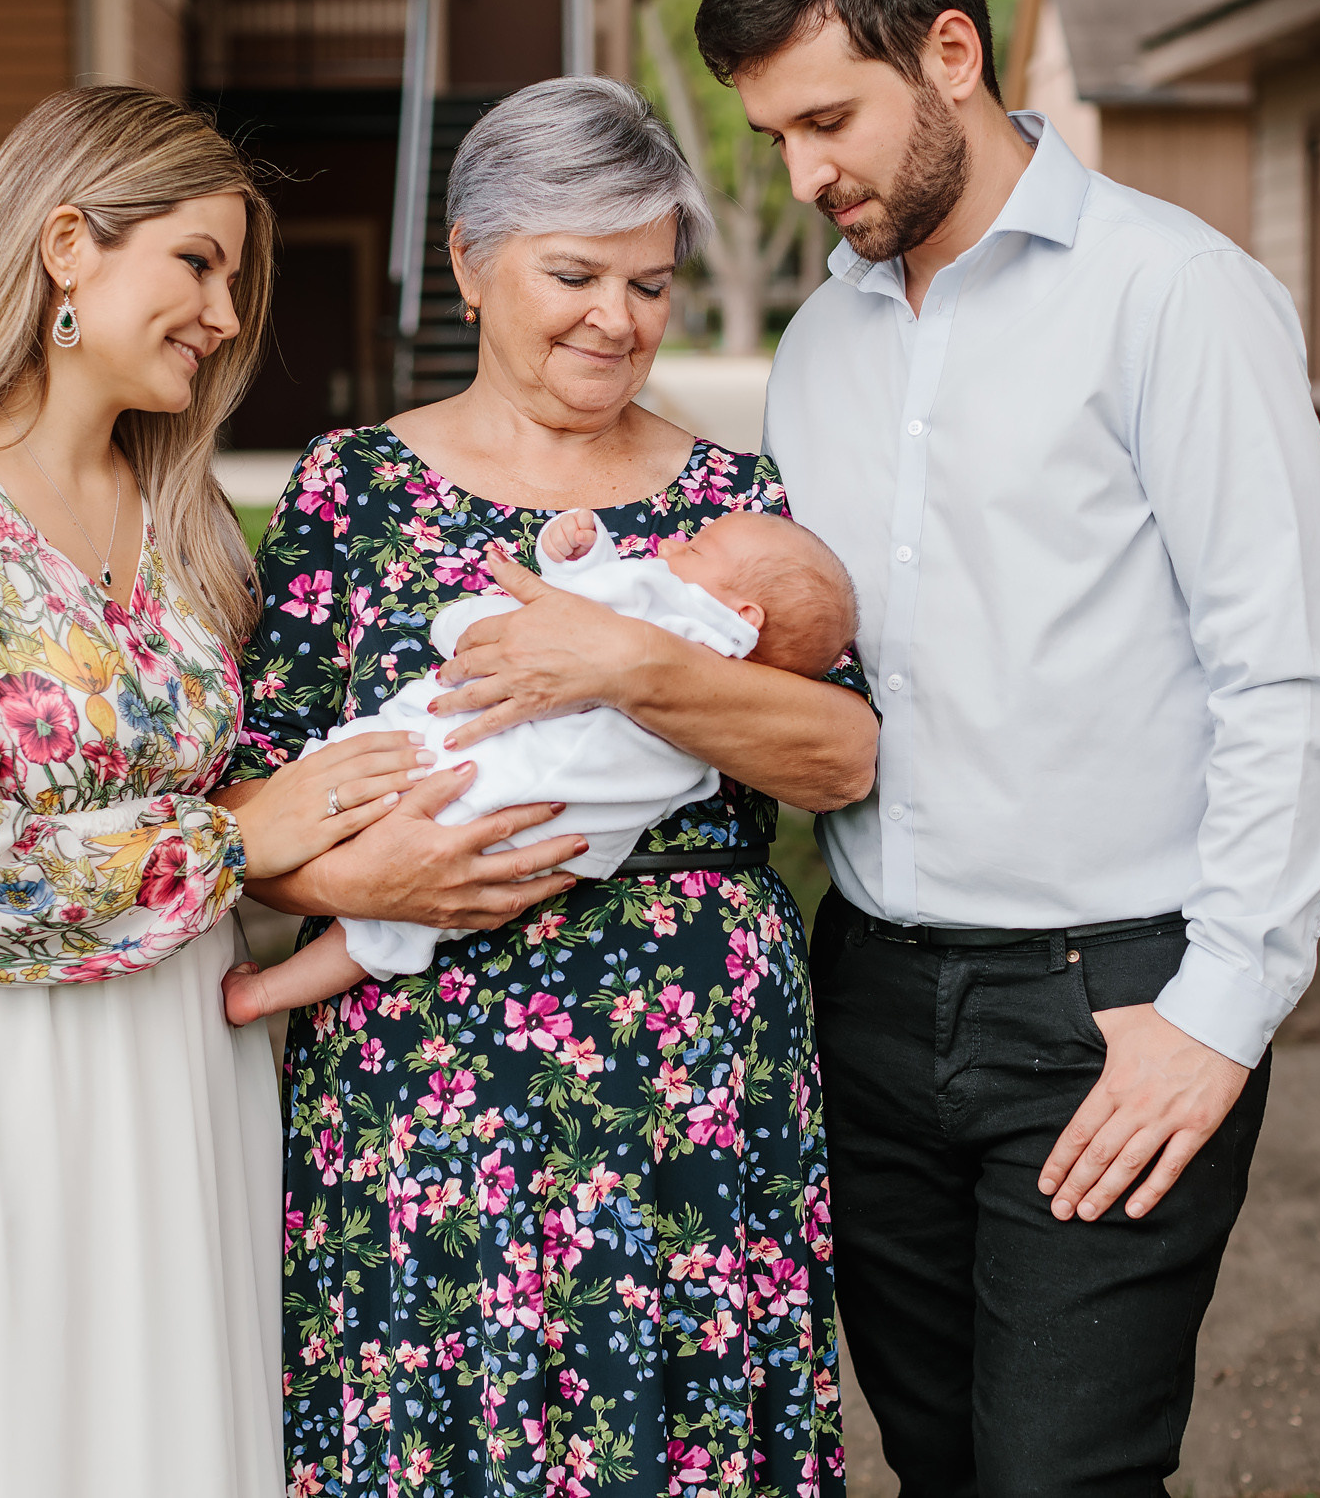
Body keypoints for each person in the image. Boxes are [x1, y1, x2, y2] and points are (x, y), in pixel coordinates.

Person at [689, 0, 1320, 1495]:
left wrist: (1217, 1014)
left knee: (1062, 1475)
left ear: (953, 52)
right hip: (867, 996)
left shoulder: (1174, 297)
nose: (805, 175)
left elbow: (1286, 681)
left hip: (1105, 997)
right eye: (775, 135)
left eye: (828, 120)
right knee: (938, 1462)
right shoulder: (819, 348)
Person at [219, 75, 876, 1497]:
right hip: (424, 1069)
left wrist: (633, 664)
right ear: (468, 260)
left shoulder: (733, 502)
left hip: (684, 1064)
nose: (618, 318)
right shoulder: (354, 488)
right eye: (574, 273)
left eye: (650, 282)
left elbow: (841, 755)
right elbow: (249, 795)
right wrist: (351, 883)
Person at [0, 86, 434, 1497]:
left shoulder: (183, 516)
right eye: (199, 262)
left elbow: (265, 775)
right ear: (68, 241)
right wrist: (232, 839)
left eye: (234, 277)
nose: (224, 311)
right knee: (16, 1429)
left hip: (185, 1059)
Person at [223, 506, 858, 1016]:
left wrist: (584, 581)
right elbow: (239, 793)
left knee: (376, 817)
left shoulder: (704, 623)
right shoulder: (347, 477)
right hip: (527, 835)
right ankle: (268, 993)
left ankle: (271, 987)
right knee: (389, 932)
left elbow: (600, 608)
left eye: (694, 551)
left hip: (513, 806)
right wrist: (344, 883)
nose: (669, 548)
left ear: (744, 621)